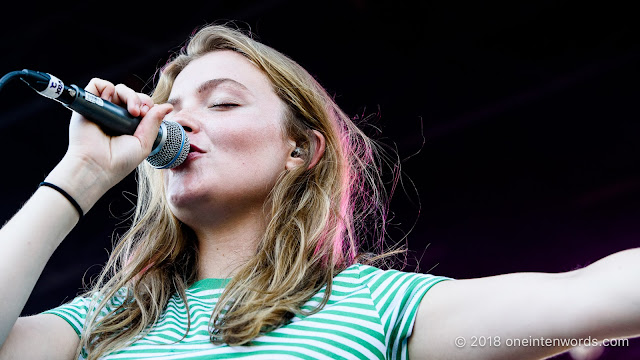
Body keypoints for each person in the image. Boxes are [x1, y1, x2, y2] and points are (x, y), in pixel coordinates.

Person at [0, 24, 638, 360]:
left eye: (222, 102)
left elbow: (594, 296)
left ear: (299, 150)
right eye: (168, 108)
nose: (177, 120)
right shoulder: (101, 325)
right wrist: (80, 174)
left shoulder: (381, 311)